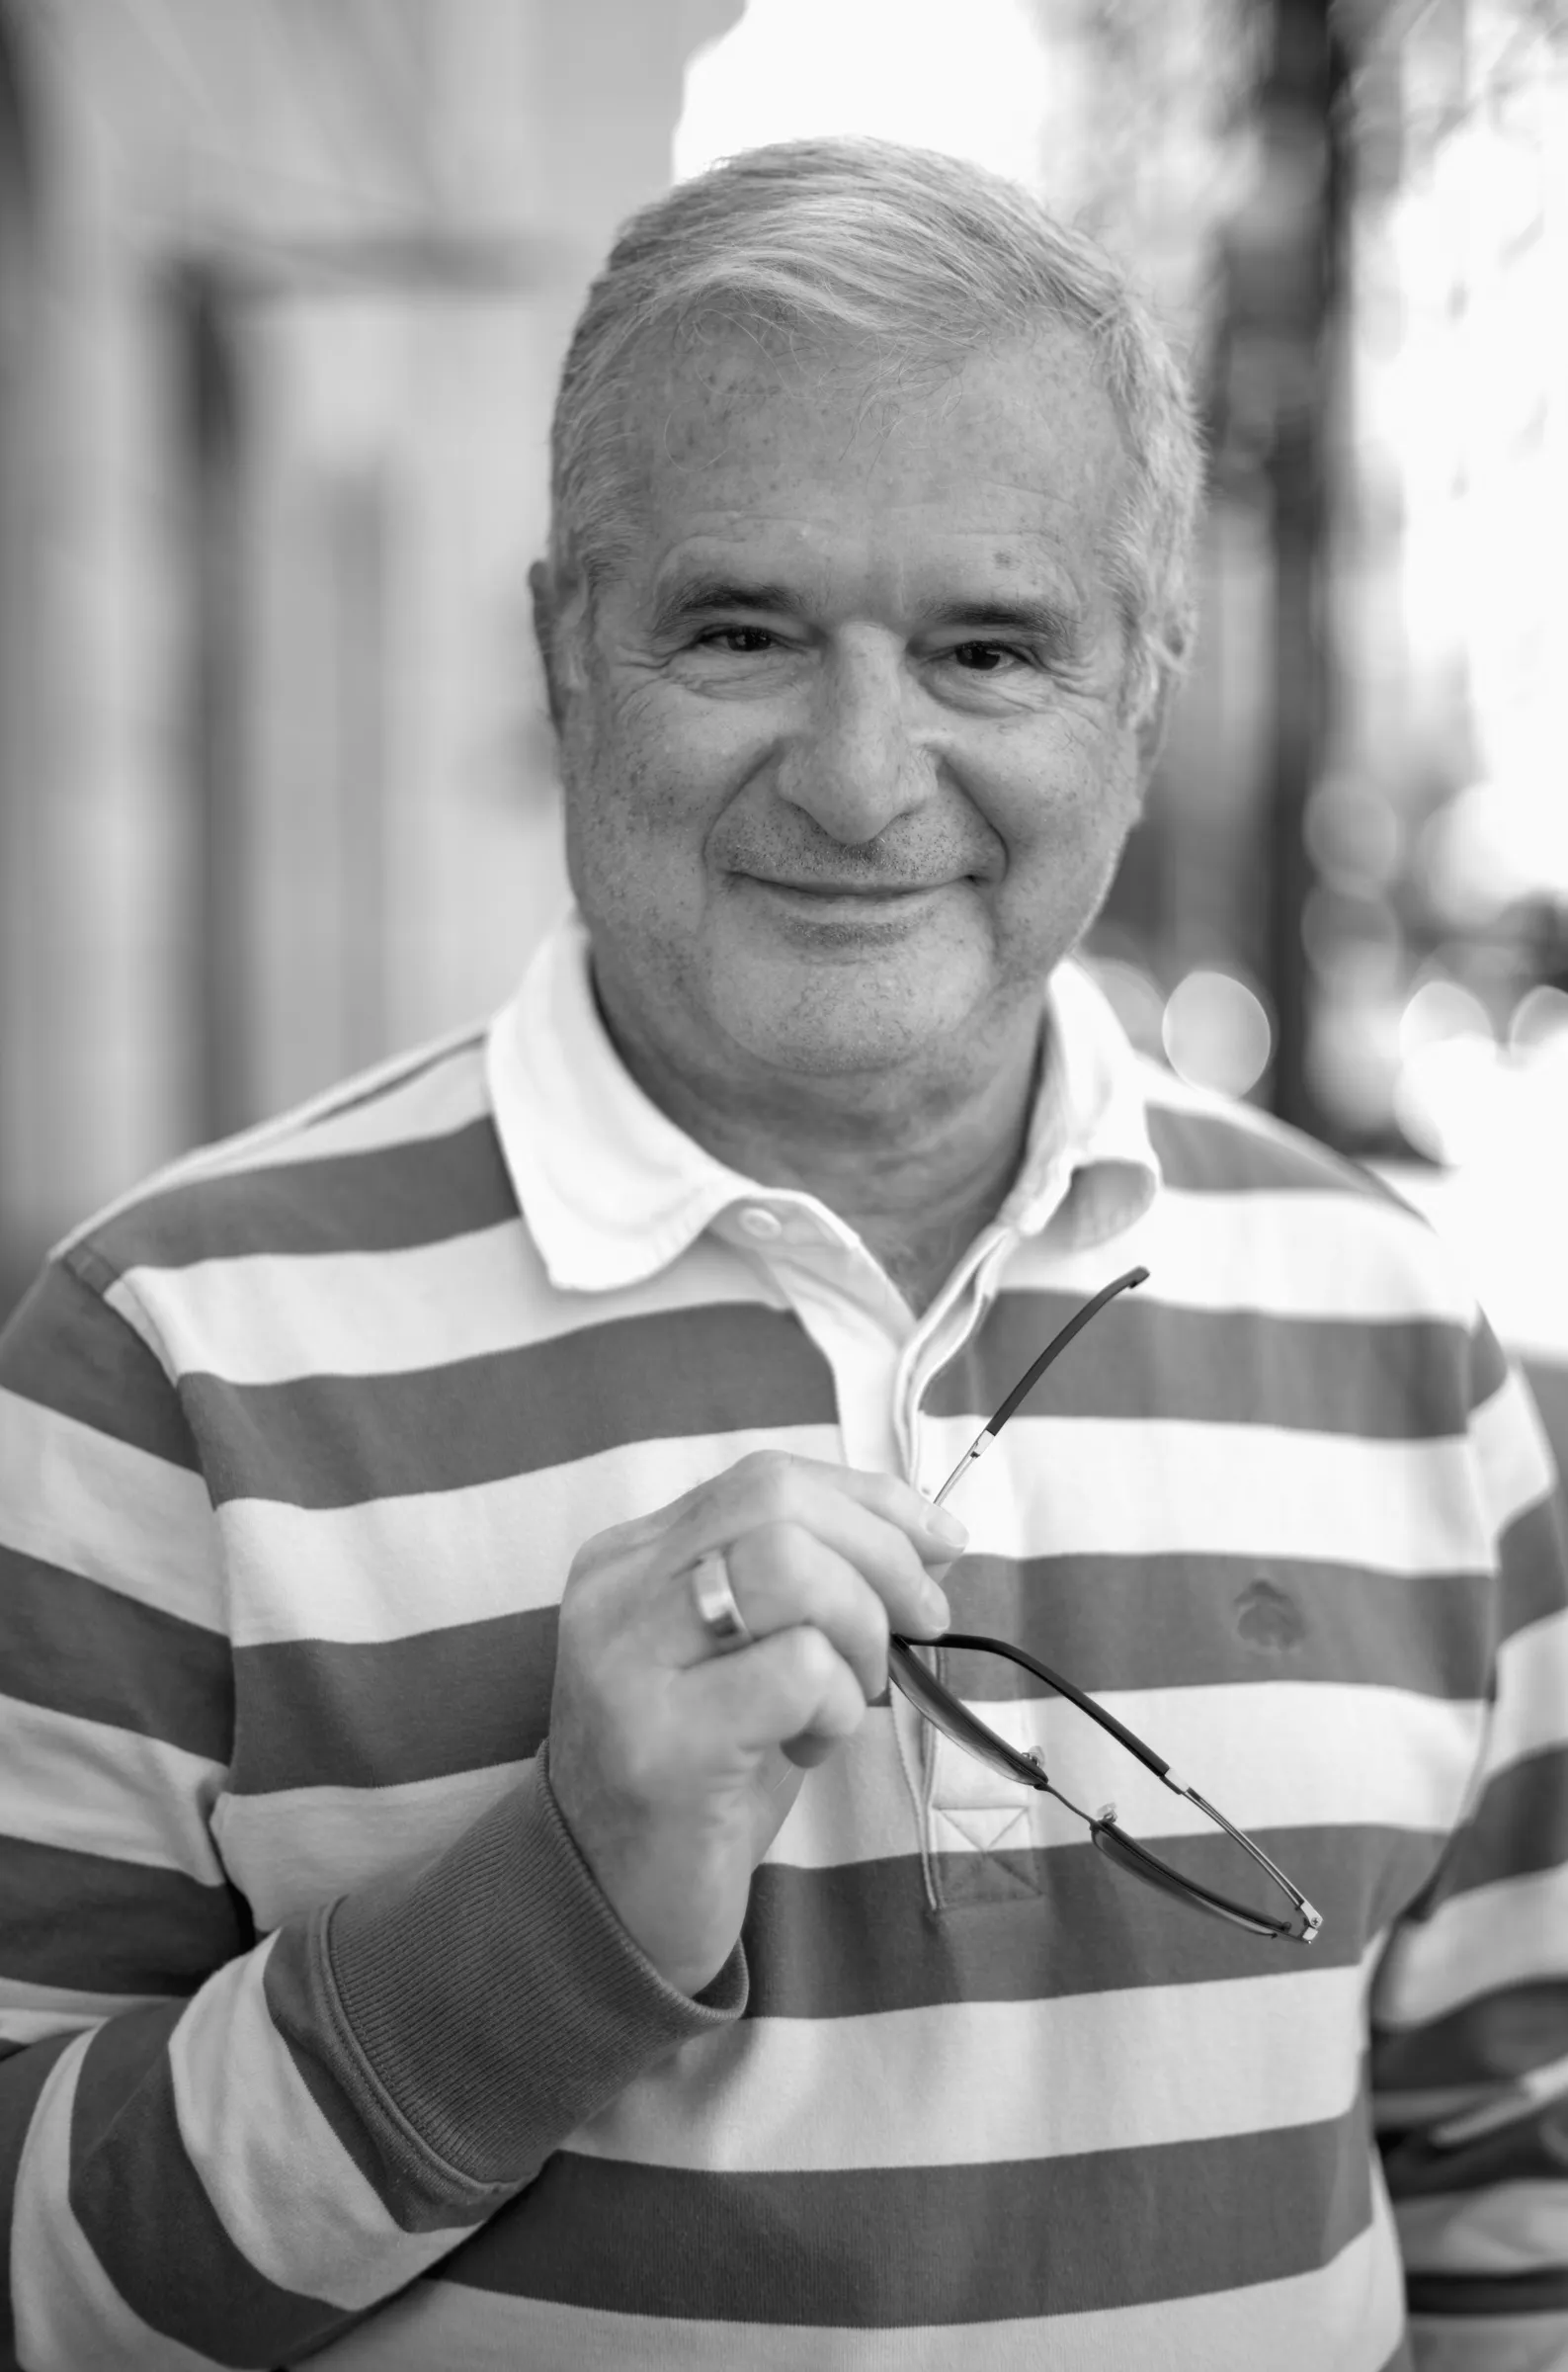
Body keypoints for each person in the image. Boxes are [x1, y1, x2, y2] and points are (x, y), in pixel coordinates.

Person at [1, 136, 1564, 2372]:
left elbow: (1508, 2197)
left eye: (987, 645)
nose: (856, 775)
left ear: (1144, 685)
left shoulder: (1404, 1343)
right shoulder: (163, 1357)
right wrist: (548, 1908)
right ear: (564, 648)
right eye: (738, 629)